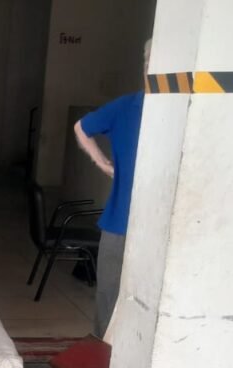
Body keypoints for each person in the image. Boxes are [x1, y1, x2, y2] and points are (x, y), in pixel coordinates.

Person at [74, 39, 151, 336]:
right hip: (119, 222)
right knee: (109, 297)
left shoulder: (185, 111)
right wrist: (103, 163)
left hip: (165, 228)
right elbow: (82, 127)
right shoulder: (127, 107)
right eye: (148, 63)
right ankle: (104, 351)